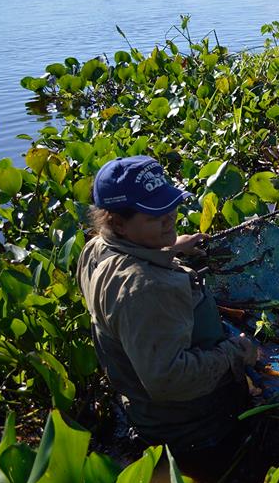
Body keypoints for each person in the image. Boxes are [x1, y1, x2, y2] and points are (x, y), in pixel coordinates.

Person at [77, 155, 259, 455]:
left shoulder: (95, 249)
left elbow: (127, 265)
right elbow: (169, 380)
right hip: (198, 427)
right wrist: (234, 353)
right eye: (154, 216)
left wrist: (169, 248)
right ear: (118, 223)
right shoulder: (145, 288)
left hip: (146, 414)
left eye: (168, 205)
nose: (170, 217)